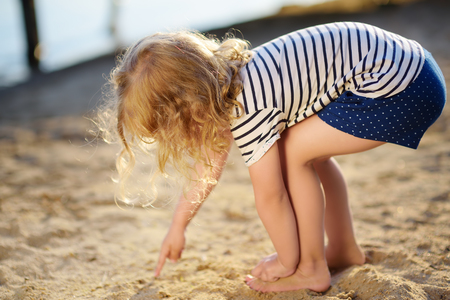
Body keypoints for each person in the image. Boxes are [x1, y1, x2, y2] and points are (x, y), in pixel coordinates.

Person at [97, 22, 446, 293]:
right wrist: (178, 226)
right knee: (310, 152)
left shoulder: (249, 107)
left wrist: (287, 260)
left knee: (294, 152)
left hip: (401, 90)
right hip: (413, 68)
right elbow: (209, 165)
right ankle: (343, 250)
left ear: (190, 113)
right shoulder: (230, 77)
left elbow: (271, 195)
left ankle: (310, 267)